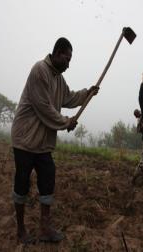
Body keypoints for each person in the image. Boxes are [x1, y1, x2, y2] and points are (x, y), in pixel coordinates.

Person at [11, 37, 99, 244]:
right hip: (25, 139)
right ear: (57, 53)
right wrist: (66, 122)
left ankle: (45, 228)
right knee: (22, 183)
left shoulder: (59, 79)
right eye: (67, 59)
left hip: (42, 143)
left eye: (70, 60)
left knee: (48, 180)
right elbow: (44, 107)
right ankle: (21, 229)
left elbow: (68, 98)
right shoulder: (39, 70)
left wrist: (88, 93)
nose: (69, 64)